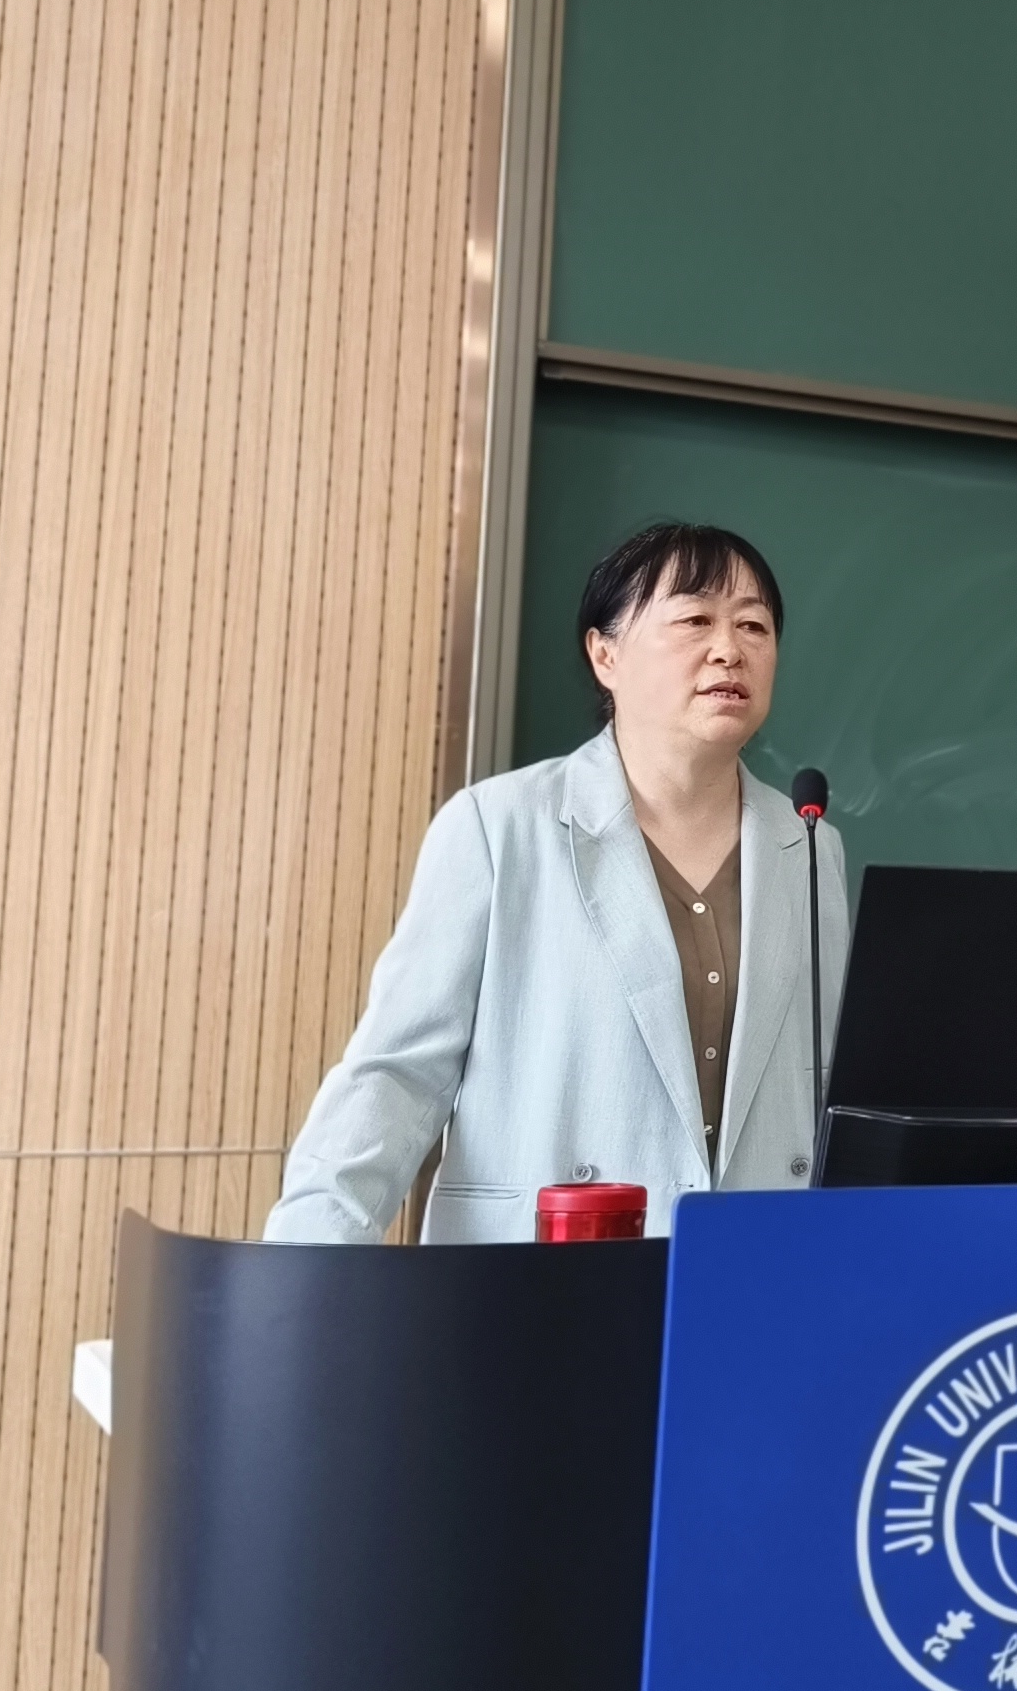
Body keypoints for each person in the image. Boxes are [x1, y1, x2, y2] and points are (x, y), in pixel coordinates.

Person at [267, 522, 850, 1242]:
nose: (730, 648)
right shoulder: (498, 827)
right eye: (695, 619)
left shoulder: (809, 843)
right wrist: (304, 1263)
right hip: (550, 1262)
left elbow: (832, 1086)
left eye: (754, 625)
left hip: (755, 1267)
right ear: (606, 655)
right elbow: (398, 1075)